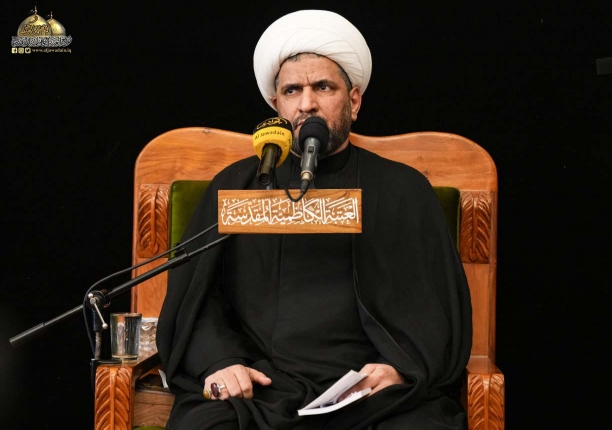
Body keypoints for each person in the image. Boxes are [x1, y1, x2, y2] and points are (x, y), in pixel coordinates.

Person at [157, 9, 472, 430]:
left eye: (323, 87)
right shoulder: (238, 184)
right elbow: (197, 296)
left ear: (353, 101)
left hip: (369, 390)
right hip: (264, 386)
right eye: (292, 90)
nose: (307, 104)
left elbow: (435, 308)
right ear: (276, 106)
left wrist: (399, 367)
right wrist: (221, 361)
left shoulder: (402, 189)